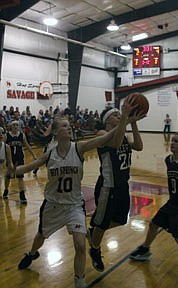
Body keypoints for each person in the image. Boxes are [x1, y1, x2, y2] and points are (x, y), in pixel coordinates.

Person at [16, 101, 134, 288]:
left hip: (74, 206)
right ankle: (31, 253)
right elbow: (32, 165)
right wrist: (15, 170)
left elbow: (102, 140)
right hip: (53, 205)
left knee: (80, 244)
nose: (69, 128)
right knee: (40, 236)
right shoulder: (50, 153)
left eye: (69, 125)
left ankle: (79, 282)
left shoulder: (78, 148)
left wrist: (124, 122)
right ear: (55, 132)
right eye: (64, 126)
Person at [88, 96, 146, 272]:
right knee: (103, 223)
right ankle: (95, 250)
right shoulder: (102, 134)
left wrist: (133, 123)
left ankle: (95, 230)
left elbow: (139, 146)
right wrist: (126, 121)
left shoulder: (123, 132)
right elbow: (114, 144)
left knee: (121, 220)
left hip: (122, 185)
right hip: (108, 185)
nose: (119, 115)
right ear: (107, 121)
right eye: (115, 114)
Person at [128, 131, 178, 288]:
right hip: (173, 203)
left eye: (176, 141)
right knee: (153, 223)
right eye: (172, 141)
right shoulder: (168, 160)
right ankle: (145, 249)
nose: (172, 143)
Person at [2, 120, 36, 203]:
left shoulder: (21, 135)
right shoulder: (7, 136)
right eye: (13, 125)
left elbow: (27, 145)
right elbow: (2, 147)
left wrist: (33, 154)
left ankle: (22, 195)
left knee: (20, 177)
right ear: (11, 126)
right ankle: (6, 190)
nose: (15, 126)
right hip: (10, 159)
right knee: (8, 176)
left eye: (17, 125)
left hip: (20, 158)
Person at [0, 127, 14, 193]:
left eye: (2, 133)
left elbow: (10, 161)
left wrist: (12, 168)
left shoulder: (6, 147)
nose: (1, 135)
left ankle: (5, 190)